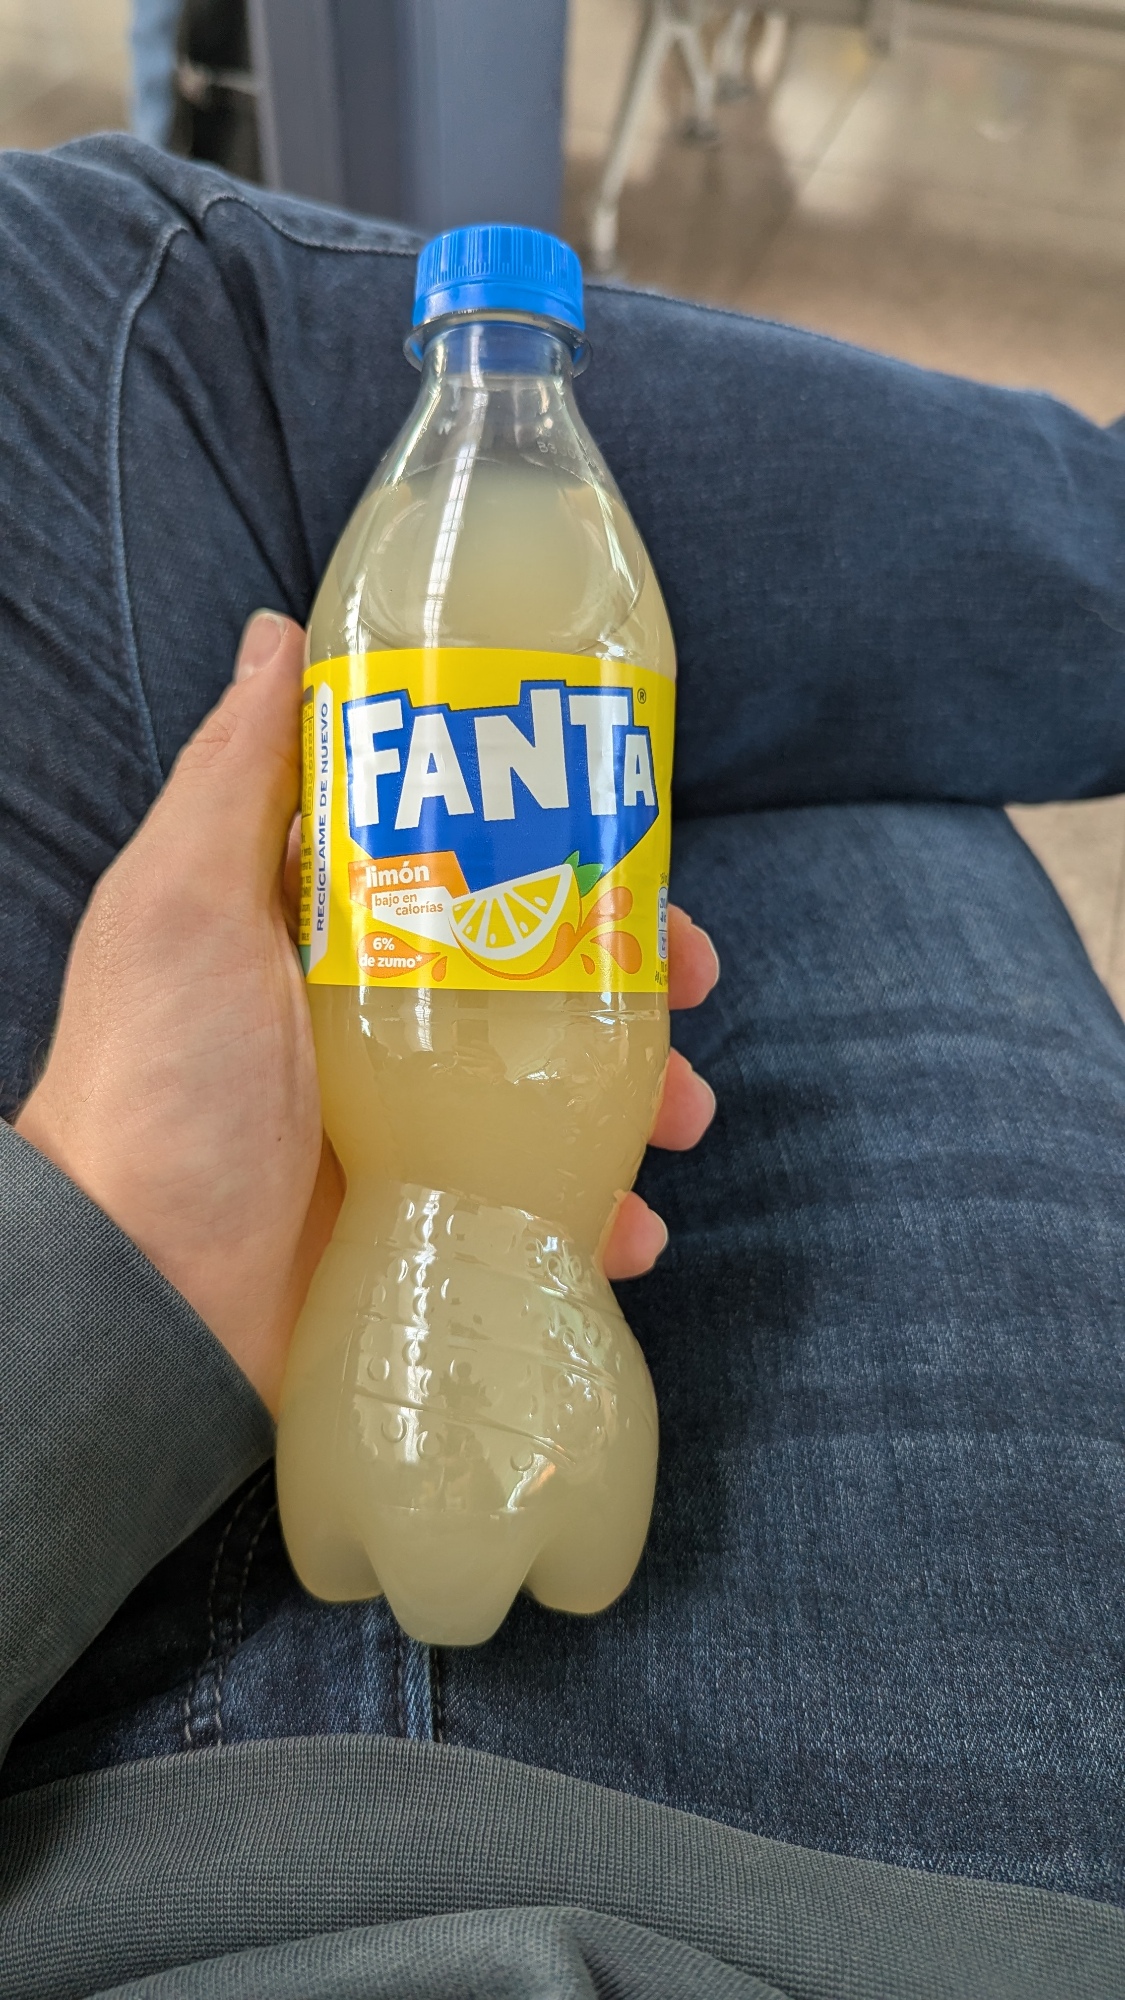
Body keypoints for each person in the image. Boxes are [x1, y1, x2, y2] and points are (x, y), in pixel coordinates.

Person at [0, 135, 1122, 1997]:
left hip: (274, 1335)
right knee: (877, 812)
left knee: (84, 268)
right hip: (427, 1864)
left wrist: (126, 1232)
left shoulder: (467, 550)